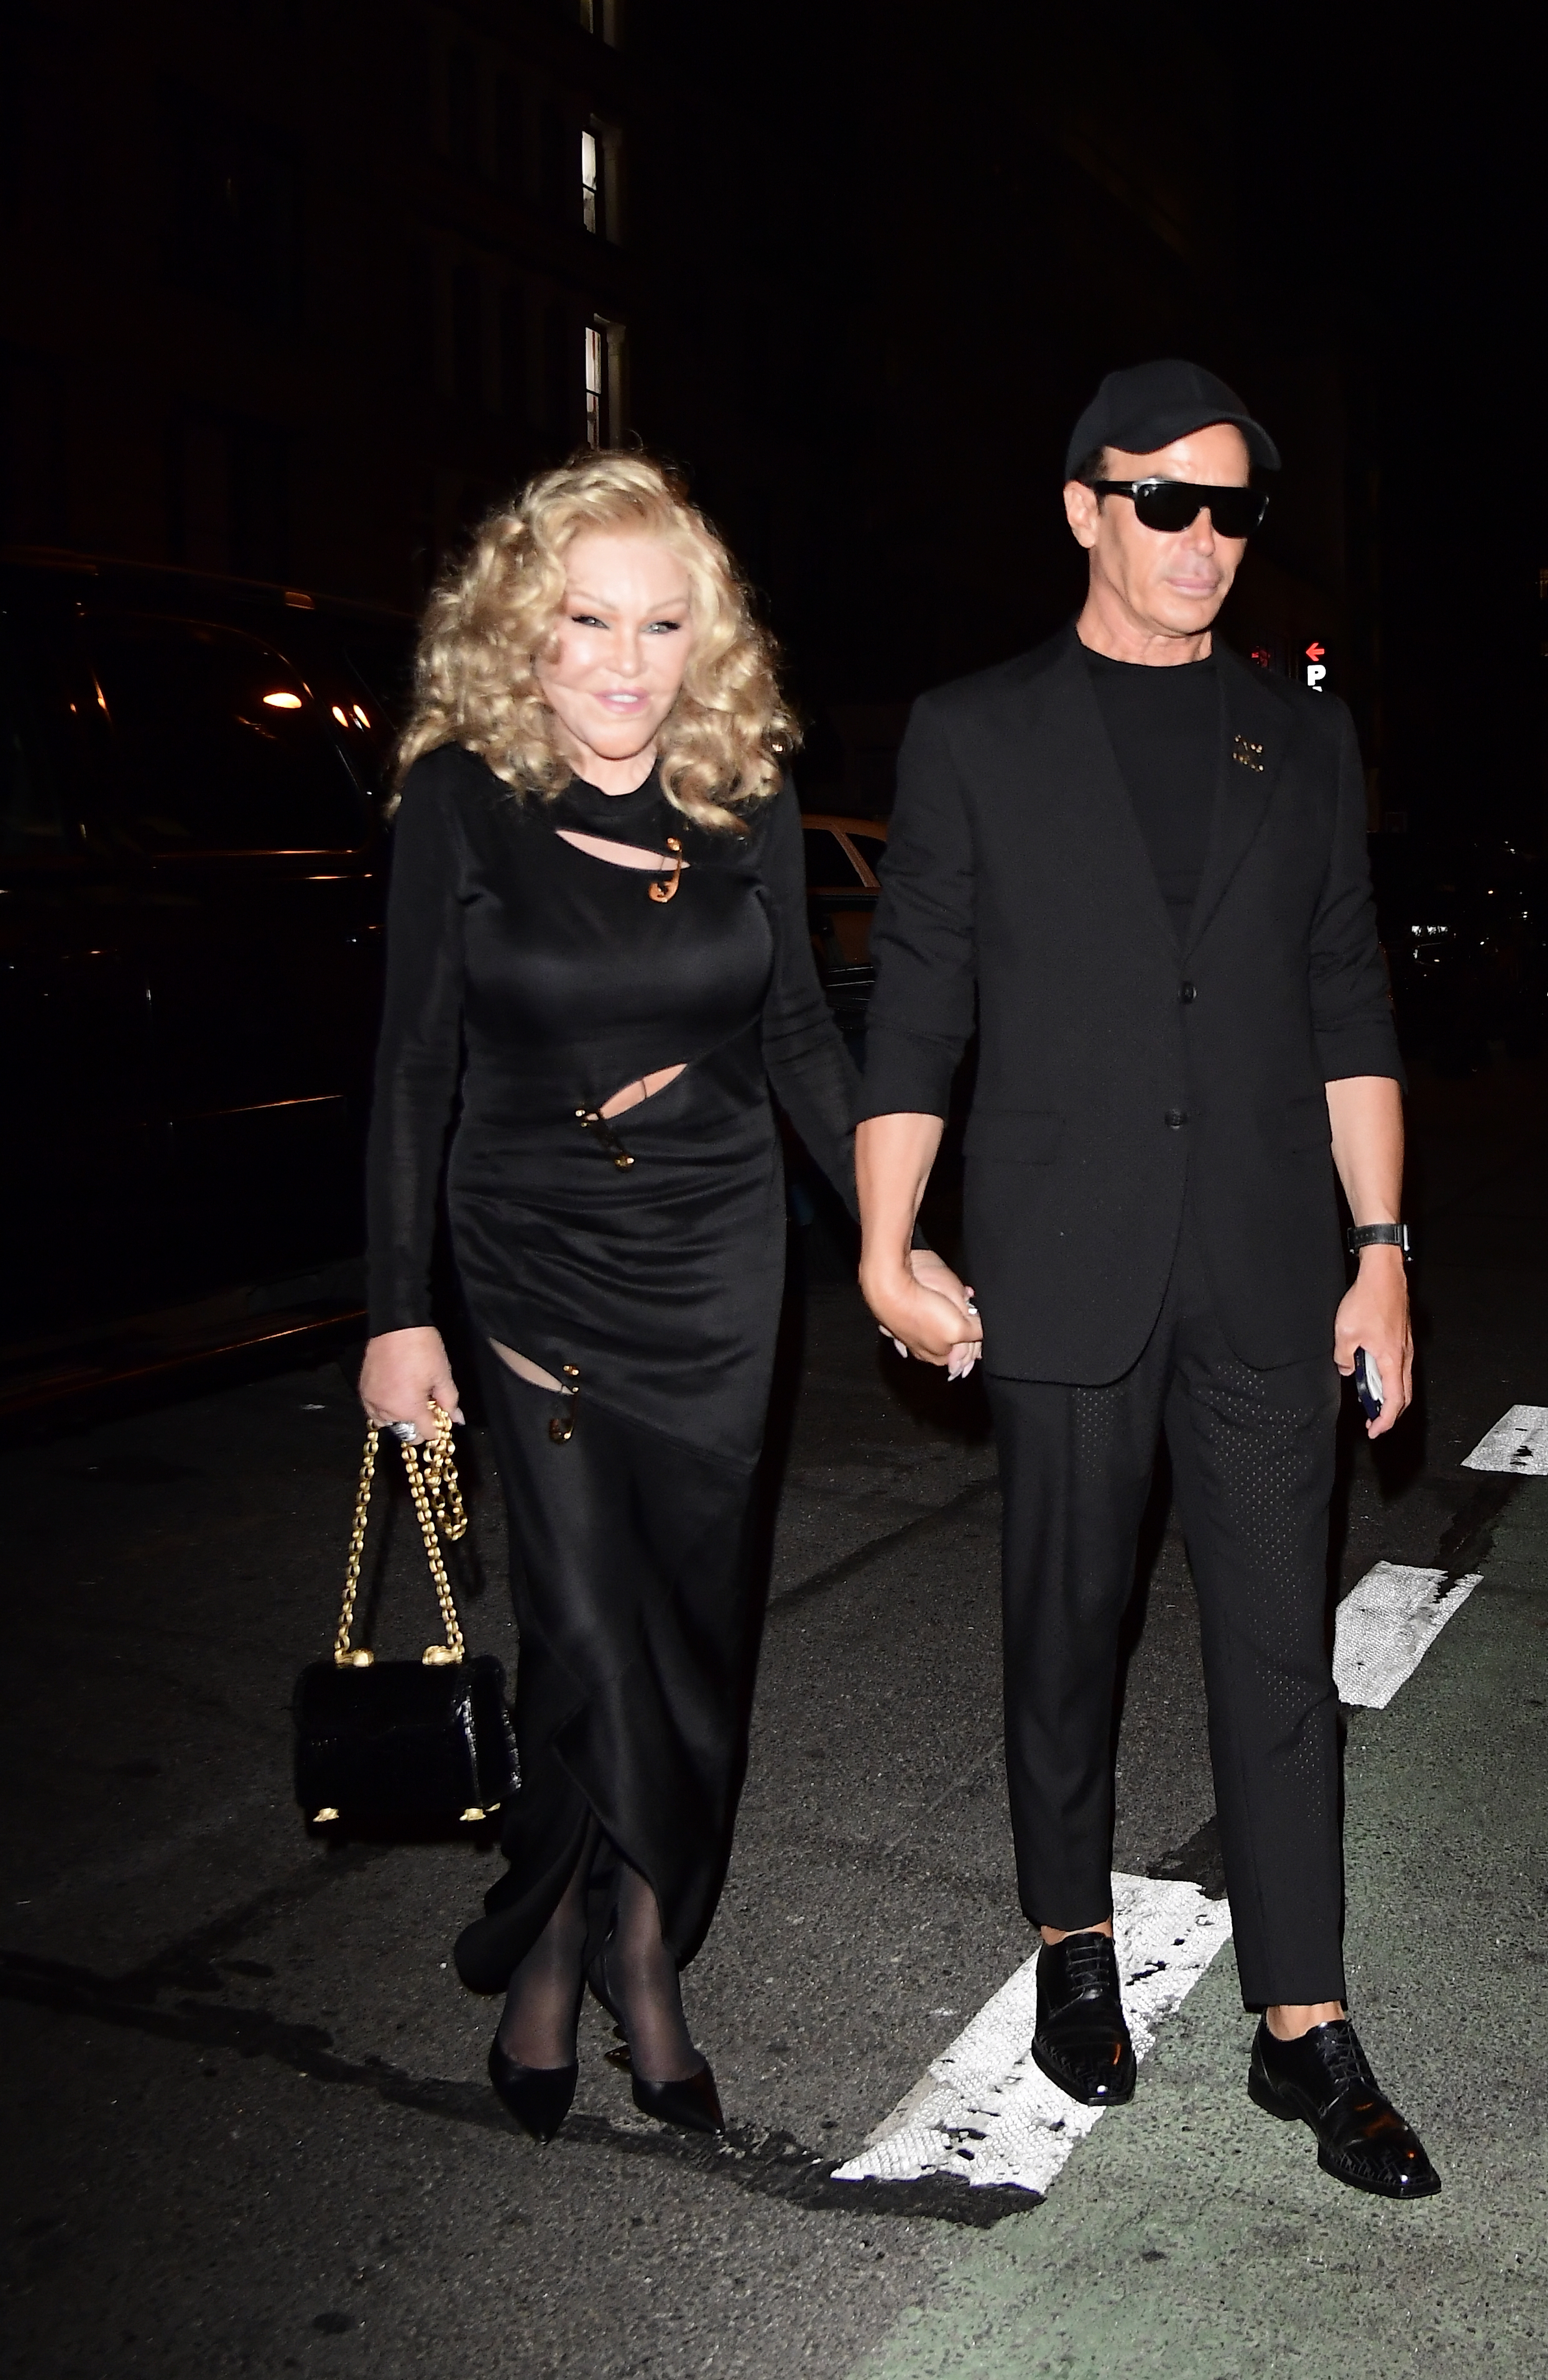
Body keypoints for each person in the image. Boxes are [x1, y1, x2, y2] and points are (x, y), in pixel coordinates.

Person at [854, 359, 1440, 2199]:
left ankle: (1306, 2022)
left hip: (1272, 1261)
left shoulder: (1304, 739)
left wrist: (1384, 1253)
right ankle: (1070, 1941)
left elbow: (1350, 998)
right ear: (1084, 508)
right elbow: (919, 1006)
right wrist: (885, 1239)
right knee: (1068, 1620)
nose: (1204, 540)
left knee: (1284, 1640)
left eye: (1232, 509)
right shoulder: (975, 731)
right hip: (1067, 1253)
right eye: (1164, 502)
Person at [359, 451, 969, 2144]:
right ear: (521, 634)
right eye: (585, 622)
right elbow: (411, 1067)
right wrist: (393, 1308)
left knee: (693, 1634)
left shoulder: (739, 795)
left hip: (716, 1262)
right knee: (585, 1633)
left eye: (661, 624)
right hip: (530, 1257)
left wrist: (890, 1232)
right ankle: (564, 1945)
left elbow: (794, 1041)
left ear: (705, 640)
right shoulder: (459, 801)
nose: (626, 663)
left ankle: (643, 1940)